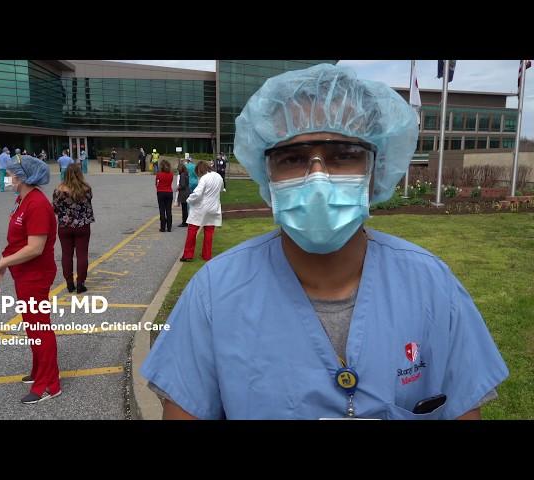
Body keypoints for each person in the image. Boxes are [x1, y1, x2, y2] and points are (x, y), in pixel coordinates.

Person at [141, 64, 509, 420]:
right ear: (268, 175)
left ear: (375, 171)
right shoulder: (214, 295)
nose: (317, 178)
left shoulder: (433, 288)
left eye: (343, 156)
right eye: (293, 158)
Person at [0, 154, 62, 405]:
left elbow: (35, 247)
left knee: (39, 326)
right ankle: (40, 371)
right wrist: (4, 264)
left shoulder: (37, 204)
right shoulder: (22, 199)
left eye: (13, 173)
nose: (9, 177)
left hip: (36, 274)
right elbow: (17, 240)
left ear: (24, 177)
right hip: (24, 273)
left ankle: (49, 384)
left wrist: (1, 263)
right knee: (32, 325)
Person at [53, 163, 95, 294]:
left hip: (65, 226)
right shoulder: (86, 189)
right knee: (82, 254)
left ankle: (69, 283)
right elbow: (88, 203)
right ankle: (81, 283)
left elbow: (54, 208)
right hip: (82, 225)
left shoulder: (59, 190)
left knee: (67, 254)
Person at [178, 161, 223, 262]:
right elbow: (221, 189)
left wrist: (189, 199)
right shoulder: (218, 176)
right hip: (214, 208)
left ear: (199, 170)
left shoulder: (204, 178)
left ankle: (188, 255)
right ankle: (206, 255)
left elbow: (197, 194)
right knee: (209, 232)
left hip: (201, 208)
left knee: (192, 231)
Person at [155, 159, 174, 232]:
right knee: (168, 210)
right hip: (169, 192)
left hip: (161, 192)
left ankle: (163, 227)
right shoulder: (171, 174)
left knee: (162, 210)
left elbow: (156, 183)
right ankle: (169, 227)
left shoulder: (159, 174)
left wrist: (159, 188)